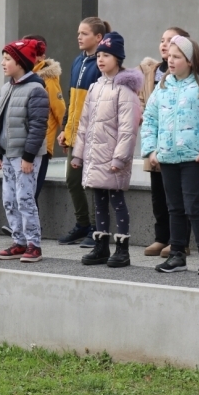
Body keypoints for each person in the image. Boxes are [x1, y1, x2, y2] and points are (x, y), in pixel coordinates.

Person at [141, 35, 199, 276]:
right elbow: (150, 119)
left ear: (190, 60)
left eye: (177, 56)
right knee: (174, 208)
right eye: (169, 56)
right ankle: (177, 254)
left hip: (194, 159)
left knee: (194, 207)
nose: (171, 60)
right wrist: (151, 150)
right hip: (167, 158)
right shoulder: (163, 86)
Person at [72, 31, 142, 268]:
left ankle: (122, 249)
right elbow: (85, 124)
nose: (101, 60)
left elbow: (128, 129)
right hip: (96, 156)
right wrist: (78, 155)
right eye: (99, 55)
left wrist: (120, 158)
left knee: (117, 200)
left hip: (113, 158)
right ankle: (101, 245)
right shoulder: (95, 88)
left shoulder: (125, 90)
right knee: (99, 201)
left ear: (118, 59)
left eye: (106, 55)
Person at [0, 38, 50, 263]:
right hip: (8, 154)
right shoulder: (6, 87)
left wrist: (28, 156)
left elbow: (37, 126)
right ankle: (19, 241)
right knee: (9, 199)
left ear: (21, 62)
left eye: (8, 59)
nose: (3, 63)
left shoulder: (35, 89)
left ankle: (34, 244)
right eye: (3, 58)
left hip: (25, 157)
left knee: (25, 199)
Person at [139, 26, 190, 258]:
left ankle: (179, 241)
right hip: (155, 141)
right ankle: (161, 237)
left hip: (176, 143)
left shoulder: (188, 77)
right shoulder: (151, 72)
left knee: (176, 195)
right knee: (158, 194)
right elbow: (143, 101)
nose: (164, 45)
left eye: (170, 41)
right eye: (162, 40)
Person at [57, 17, 108, 248]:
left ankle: (98, 228)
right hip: (76, 133)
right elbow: (72, 99)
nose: (79, 37)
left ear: (98, 37)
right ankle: (83, 224)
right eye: (78, 32)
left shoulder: (102, 63)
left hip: (94, 134)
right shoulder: (78, 61)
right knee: (72, 179)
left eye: (84, 33)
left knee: (94, 182)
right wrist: (66, 128)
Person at [24, 35, 66, 201]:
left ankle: (32, 227)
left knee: (31, 192)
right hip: (26, 142)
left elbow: (59, 109)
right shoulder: (25, 76)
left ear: (41, 56)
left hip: (41, 144)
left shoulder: (47, 79)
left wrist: (66, 134)